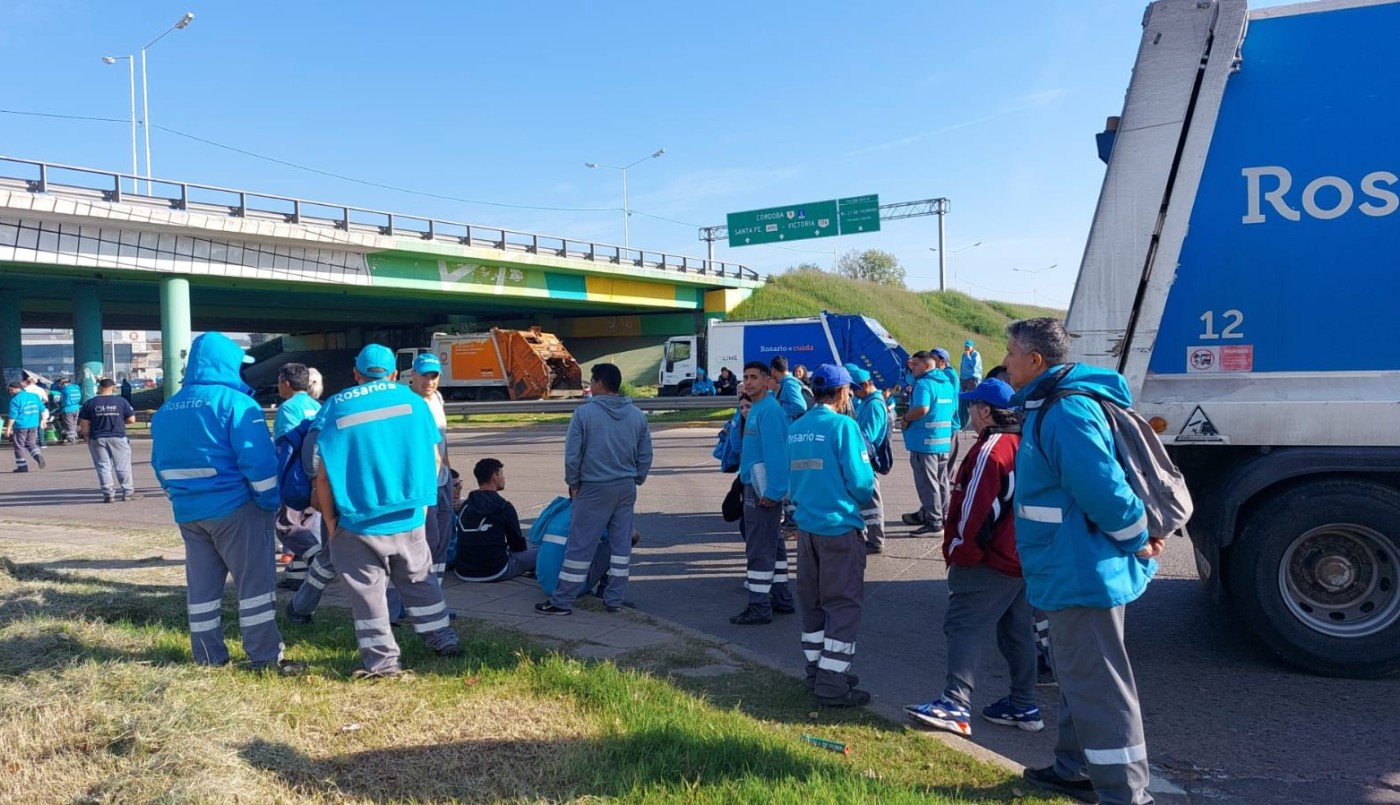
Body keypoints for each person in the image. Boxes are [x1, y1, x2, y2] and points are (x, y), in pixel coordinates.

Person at [1003, 317, 1161, 805]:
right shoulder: (1050, 406)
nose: (1004, 361)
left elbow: (1104, 490)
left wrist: (1138, 538)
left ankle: (1126, 794)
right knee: (1080, 677)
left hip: (1083, 570)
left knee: (1101, 687)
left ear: (1036, 360)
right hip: (1072, 565)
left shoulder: (1064, 412)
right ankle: (1075, 769)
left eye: (1010, 352)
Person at [150, 332, 301, 675]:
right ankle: (263, 657)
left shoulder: (166, 409)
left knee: (202, 590)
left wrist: (180, 498)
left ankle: (207, 657)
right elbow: (259, 463)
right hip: (238, 509)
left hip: (190, 513)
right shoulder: (237, 404)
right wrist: (268, 502)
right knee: (255, 589)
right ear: (226, 364)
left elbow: (160, 465)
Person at [312, 344, 460, 677]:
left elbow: (323, 473)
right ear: (395, 374)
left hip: (357, 519)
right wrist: (423, 505)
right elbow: (434, 457)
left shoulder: (336, 406)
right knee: (420, 582)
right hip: (408, 514)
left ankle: (383, 663)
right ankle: (442, 638)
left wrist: (332, 523)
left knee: (369, 596)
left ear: (355, 373)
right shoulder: (414, 403)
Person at [905, 377, 1042, 737]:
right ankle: (1023, 703)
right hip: (1020, 556)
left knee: (962, 626)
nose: (968, 412)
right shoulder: (1022, 443)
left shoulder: (991, 450)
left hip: (989, 559)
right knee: (1017, 631)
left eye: (971, 406)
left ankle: (954, 703)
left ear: (985, 410)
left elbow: (975, 509)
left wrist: (959, 552)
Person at [786, 363, 875, 707]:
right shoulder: (844, 426)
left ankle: (818, 672)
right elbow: (863, 484)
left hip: (807, 529)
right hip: (839, 528)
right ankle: (832, 684)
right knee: (843, 606)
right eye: (849, 390)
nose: (850, 395)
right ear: (841, 393)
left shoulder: (797, 427)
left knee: (813, 605)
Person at [537, 363, 653, 615]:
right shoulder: (637, 415)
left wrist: (574, 483)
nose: (590, 386)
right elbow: (645, 454)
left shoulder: (584, 414)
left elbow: (572, 455)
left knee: (580, 546)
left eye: (591, 381)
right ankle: (614, 600)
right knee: (621, 546)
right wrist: (637, 478)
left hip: (593, 488)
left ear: (600, 383)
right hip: (625, 487)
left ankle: (562, 601)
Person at [728, 361, 795, 625]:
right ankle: (781, 598)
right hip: (756, 487)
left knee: (759, 548)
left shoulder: (769, 410)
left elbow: (777, 454)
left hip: (762, 491)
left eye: (754, 377)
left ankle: (759, 606)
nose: (748, 382)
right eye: (745, 377)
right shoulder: (756, 409)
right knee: (773, 545)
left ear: (767, 381)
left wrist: (774, 491)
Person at [272, 362, 323, 589]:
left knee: (285, 525)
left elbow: (286, 448)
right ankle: (297, 576)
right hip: (317, 475)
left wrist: (278, 479)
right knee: (306, 523)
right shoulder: (317, 405)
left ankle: (320, 560)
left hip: (297, 477)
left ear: (285, 383)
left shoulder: (288, 408)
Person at [452, 458, 538, 583]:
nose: (504, 478)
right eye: (502, 474)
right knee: (542, 550)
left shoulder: (465, 505)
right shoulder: (503, 507)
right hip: (494, 571)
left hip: (462, 570)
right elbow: (517, 545)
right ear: (494, 476)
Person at [900, 351, 956, 536]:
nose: (912, 368)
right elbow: (953, 408)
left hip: (924, 443)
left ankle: (933, 522)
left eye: (915, 365)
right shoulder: (946, 383)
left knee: (927, 483)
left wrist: (906, 418)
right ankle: (944, 516)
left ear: (926, 365)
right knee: (941, 481)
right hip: (942, 442)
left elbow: (922, 409)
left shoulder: (923, 384)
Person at [409, 352, 454, 581]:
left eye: (434, 376)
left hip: (442, 480)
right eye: (424, 376)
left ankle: (436, 590)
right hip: (424, 484)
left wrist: (451, 472)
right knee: (429, 538)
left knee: (444, 535)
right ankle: (419, 589)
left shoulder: (436, 398)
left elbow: (442, 440)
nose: (429, 381)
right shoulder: (409, 404)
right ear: (413, 375)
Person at [846, 364, 889, 554]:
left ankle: (876, 540)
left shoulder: (874, 405)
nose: (853, 393)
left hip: (868, 459)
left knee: (872, 502)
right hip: (863, 457)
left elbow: (867, 437)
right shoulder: (866, 402)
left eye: (854, 389)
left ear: (864, 385)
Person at [78, 378, 138, 502]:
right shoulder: (121, 401)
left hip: (97, 438)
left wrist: (86, 436)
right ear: (113, 387)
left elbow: (84, 425)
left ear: (99, 387)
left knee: (103, 466)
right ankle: (127, 492)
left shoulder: (90, 403)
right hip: (118, 436)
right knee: (122, 465)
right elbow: (132, 420)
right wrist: (120, 421)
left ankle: (108, 494)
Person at [5, 380, 45, 472]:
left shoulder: (15, 400)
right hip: (34, 424)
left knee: (19, 445)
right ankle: (37, 455)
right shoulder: (34, 396)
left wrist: (8, 428)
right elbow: (42, 409)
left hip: (21, 426)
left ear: (17, 388)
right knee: (31, 443)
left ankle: (22, 466)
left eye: (11, 390)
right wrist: (43, 420)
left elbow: (13, 416)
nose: (10, 392)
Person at [770, 355, 808, 421]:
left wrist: (780, 411)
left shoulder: (789, 383)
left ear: (773, 370)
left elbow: (800, 406)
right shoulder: (786, 383)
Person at [959, 340, 984, 428]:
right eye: (965, 347)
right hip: (963, 378)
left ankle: (975, 419)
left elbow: (974, 365)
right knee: (962, 398)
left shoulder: (975, 355)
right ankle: (963, 418)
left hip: (973, 378)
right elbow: (962, 365)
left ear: (972, 347)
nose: (966, 349)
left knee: (973, 399)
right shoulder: (963, 355)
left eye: (968, 347)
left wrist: (968, 356)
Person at [55, 378, 82, 444]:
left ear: (63, 383)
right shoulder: (76, 387)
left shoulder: (64, 389)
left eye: (60, 383)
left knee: (69, 425)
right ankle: (75, 437)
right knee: (74, 424)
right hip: (76, 407)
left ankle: (71, 440)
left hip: (67, 409)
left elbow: (59, 399)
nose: (59, 385)